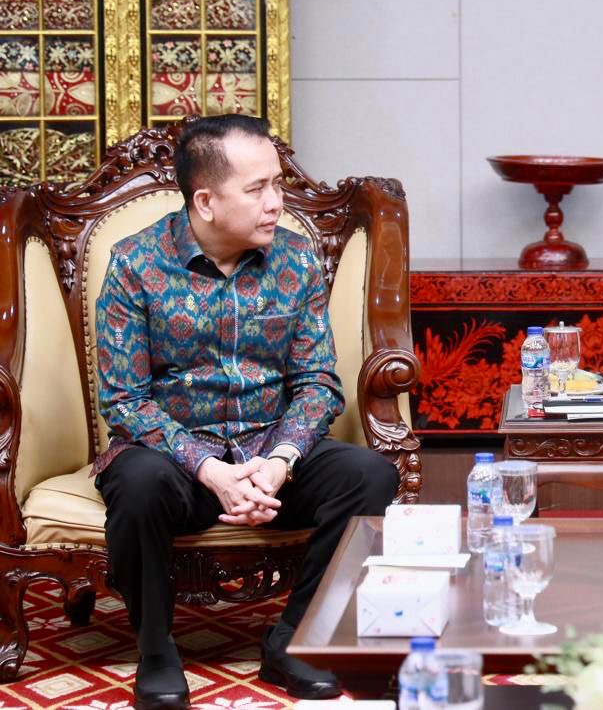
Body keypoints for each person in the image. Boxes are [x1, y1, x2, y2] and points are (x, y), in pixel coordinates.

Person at [94, 114, 399, 710]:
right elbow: (124, 399)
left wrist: (280, 460)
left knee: (369, 475)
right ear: (206, 201)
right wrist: (211, 469)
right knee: (136, 483)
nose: (276, 202)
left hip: (269, 457)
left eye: (277, 184)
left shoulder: (296, 260)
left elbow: (317, 383)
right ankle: (156, 650)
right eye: (257, 188)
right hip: (176, 464)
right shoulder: (135, 263)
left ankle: (293, 638)